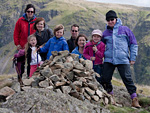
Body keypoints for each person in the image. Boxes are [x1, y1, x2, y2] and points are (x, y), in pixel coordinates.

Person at [100, 10, 141, 108]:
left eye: (112, 19)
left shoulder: (125, 30)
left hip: (123, 59)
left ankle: (134, 100)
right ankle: (110, 97)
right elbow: (100, 45)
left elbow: (133, 44)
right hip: (109, 59)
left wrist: (132, 57)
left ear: (116, 19)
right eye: (108, 20)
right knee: (105, 78)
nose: (110, 21)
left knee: (127, 79)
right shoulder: (105, 33)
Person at [13, 4, 36, 79]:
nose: (30, 13)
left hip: (32, 46)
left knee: (30, 63)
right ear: (25, 11)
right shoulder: (20, 20)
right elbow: (16, 33)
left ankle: (29, 78)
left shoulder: (36, 21)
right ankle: (19, 78)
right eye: (28, 11)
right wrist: (17, 44)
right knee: (21, 63)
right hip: (22, 46)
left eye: (31, 12)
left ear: (34, 12)